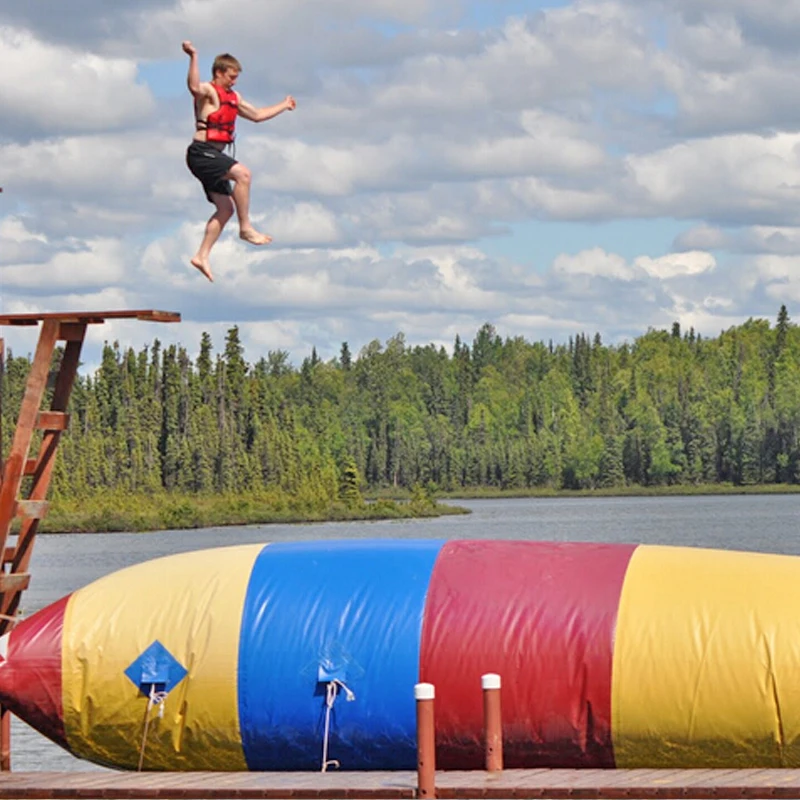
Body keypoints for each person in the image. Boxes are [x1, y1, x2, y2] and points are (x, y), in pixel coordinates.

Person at [182, 41, 296, 282]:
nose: (234, 81)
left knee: (225, 209)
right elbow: (193, 86)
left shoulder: (233, 97)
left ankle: (202, 255)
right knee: (243, 174)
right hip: (201, 152)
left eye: (236, 78)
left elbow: (257, 115)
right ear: (219, 72)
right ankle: (245, 229)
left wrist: (284, 105)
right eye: (231, 77)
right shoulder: (209, 91)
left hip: (214, 156)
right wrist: (193, 56)